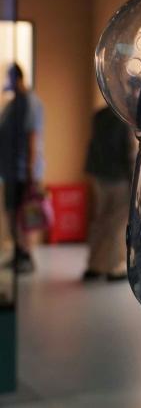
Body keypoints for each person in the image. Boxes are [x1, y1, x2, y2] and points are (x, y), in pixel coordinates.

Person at [0, 63, 45, 274]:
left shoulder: (29, 102)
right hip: (10, 171)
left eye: (8, 78)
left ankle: (26, 255)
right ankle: (18, 252)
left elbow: (32, 138)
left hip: (23, 172)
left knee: (24, 215)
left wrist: (30, 174)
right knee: (11, 213)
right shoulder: (12, 104)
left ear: (17, 78)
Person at [82, 106, 134, 282]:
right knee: (117, 224)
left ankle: (94, 266)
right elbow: (129, 151)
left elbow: (93, 146)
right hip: (119, 177)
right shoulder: (125, 117)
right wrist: (135, 180)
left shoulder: (99, 116)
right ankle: (115, 267)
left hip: (99, 176)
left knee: (100, 220)